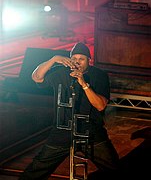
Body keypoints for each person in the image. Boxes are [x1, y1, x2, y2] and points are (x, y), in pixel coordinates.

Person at [19, 42, 119, 180]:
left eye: (81, 59)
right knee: (36, 171)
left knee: (113, 169)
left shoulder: (99, 75)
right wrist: (53, 59)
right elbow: (36, 77)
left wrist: (83, 84)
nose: (77, 62)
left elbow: (100, 105)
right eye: (74, 59)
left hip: (91, 132)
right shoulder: (60, 72)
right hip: (62, 132)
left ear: (89, 60)